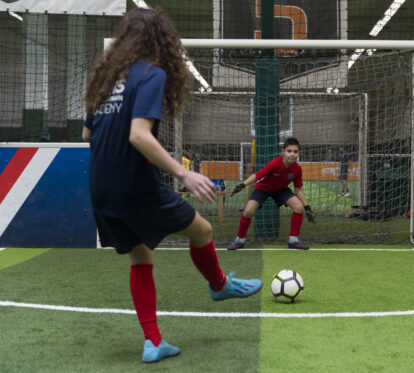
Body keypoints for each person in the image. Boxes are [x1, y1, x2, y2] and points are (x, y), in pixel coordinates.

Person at [81, 7, 262, 364]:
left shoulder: (107, 80)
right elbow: (138, 135)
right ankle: (218, 285)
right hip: (136, 186)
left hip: (101, 186)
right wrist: (185, 174)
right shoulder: (151, 74)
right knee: (204, 231)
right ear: (160, 39)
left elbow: (88, 133)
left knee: (141, 256)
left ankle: (153, 343)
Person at [227, 137, 316, 250]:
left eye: (295, 152)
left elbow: (298, 189)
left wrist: (306, 206)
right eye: (289, 151)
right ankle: (239, 240)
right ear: (283, 152)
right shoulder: (274, 164)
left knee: (299, 208)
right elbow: (256, 175)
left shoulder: (297, 169)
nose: (292, 154)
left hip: (281, 190)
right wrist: (242, 185)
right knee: (248, 211)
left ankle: (293, 241)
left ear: (299, 153)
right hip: (263, 188)